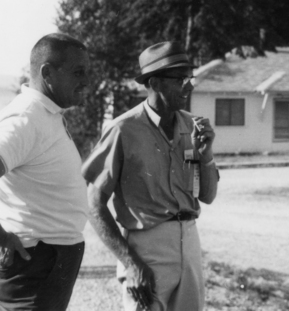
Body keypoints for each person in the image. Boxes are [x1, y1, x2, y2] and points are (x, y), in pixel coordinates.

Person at [82, 41, 219, 311]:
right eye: (180, 80)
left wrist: (206, 155)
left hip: (189, 242)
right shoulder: (123, 129)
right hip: (146, 249)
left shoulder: (192, 126)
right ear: (154, 82)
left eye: (190, 78)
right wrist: (130, 263)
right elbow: (93, 204)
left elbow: (207, 196)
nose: (189, 86)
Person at [0, 33, 90, 311]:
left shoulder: (45, 113)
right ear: (47, 73)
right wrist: (1, 236)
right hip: (34, 259)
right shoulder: (26, 117)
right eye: (78, 72)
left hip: (51, 257)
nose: (86, 81)